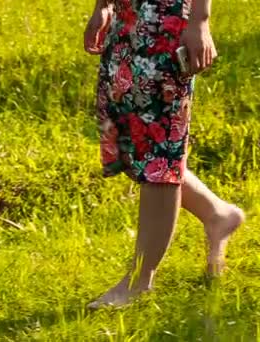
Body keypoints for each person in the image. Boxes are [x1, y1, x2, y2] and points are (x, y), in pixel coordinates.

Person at [83, 0, 245, 308]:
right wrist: (102, 6)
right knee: (130, 143)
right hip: (125, 19)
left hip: (166, 25)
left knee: (159, 154)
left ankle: (139, 280)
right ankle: (218, 214)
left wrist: (200, 20)